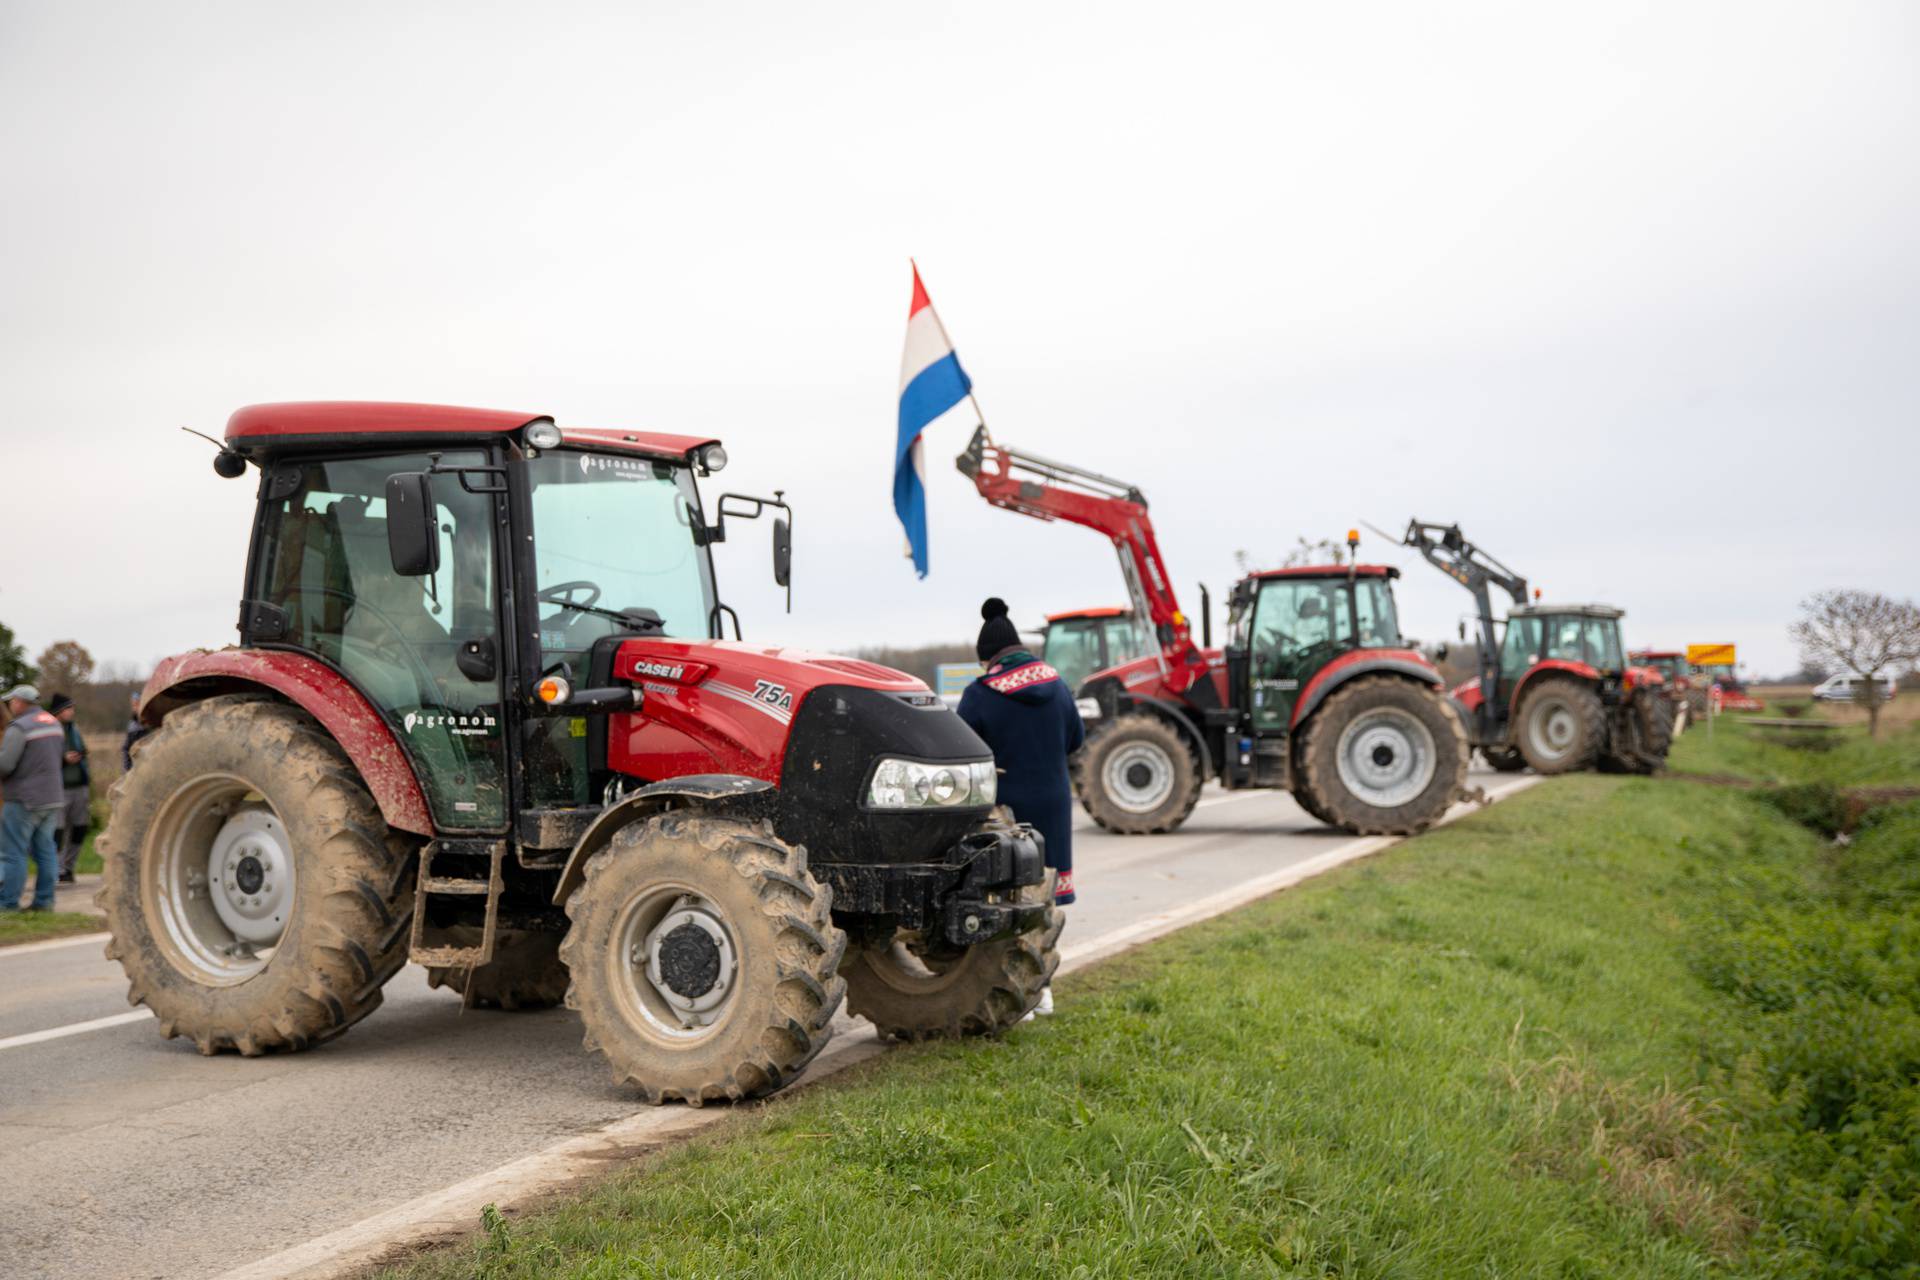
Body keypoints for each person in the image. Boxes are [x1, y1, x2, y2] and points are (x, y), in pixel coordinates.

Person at [956, 598, 1084, 1017]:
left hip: (1006, 808)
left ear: (988, 658)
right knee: (1044, 898)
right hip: (1053, 799)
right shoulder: (1058, 686)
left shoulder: (979, 695)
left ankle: (1019, 993)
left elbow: (965, 755)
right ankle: (1044, 989)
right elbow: (1076, 740)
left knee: (1007, 901)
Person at [0, 684, 69, 912]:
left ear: (20, 702)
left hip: (23, 799)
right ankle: (44, 901)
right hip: (53, 796)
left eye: (11, 701)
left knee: (13, 852)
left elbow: (6, 765)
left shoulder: (19, 727)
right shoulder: (54, 724)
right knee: (46, 849)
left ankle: (8, 903)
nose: (9, 705)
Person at [47, 692, 90, 884]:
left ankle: (68, 867)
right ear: (59, 711)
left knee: (80, 828)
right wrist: (63, 761)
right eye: (68, 708)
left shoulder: (74, 729)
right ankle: (54, 870)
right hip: (59, 787)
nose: (72, 711)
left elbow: (83, 748)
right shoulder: (49, 729)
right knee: (57, 831)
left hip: (80, 786)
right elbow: (45, 758)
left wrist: (81, 754)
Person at [122, 690, 150, 770]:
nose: (135, 708)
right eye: (133, 705)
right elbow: (126, 750)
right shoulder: (132, 727)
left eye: (137, 704)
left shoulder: (154, 723)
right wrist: (127, 770)